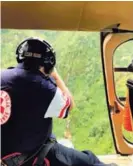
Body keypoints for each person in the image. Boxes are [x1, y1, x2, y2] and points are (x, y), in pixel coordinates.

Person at [1, 37, 118, 166]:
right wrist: (55, 76)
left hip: (8, 157)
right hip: (36, 156)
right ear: (48, 63)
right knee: (90, 160)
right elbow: (69, 105)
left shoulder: (2, 76)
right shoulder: (43, 87)